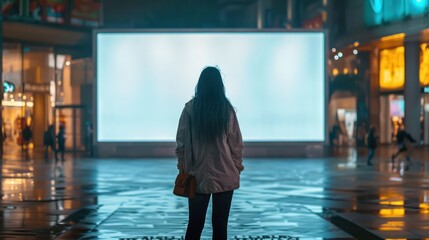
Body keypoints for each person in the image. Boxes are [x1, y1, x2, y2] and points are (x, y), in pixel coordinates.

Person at [175, 66, 244, 240]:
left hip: (196, 174)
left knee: (195, 225)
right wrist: (236, 167)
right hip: (225, 173)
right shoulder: (226, 109)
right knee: (220, 226)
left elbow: (181, 142)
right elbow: (236, 143)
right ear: (219, 85)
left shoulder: (190, 109)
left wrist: (183, 167)